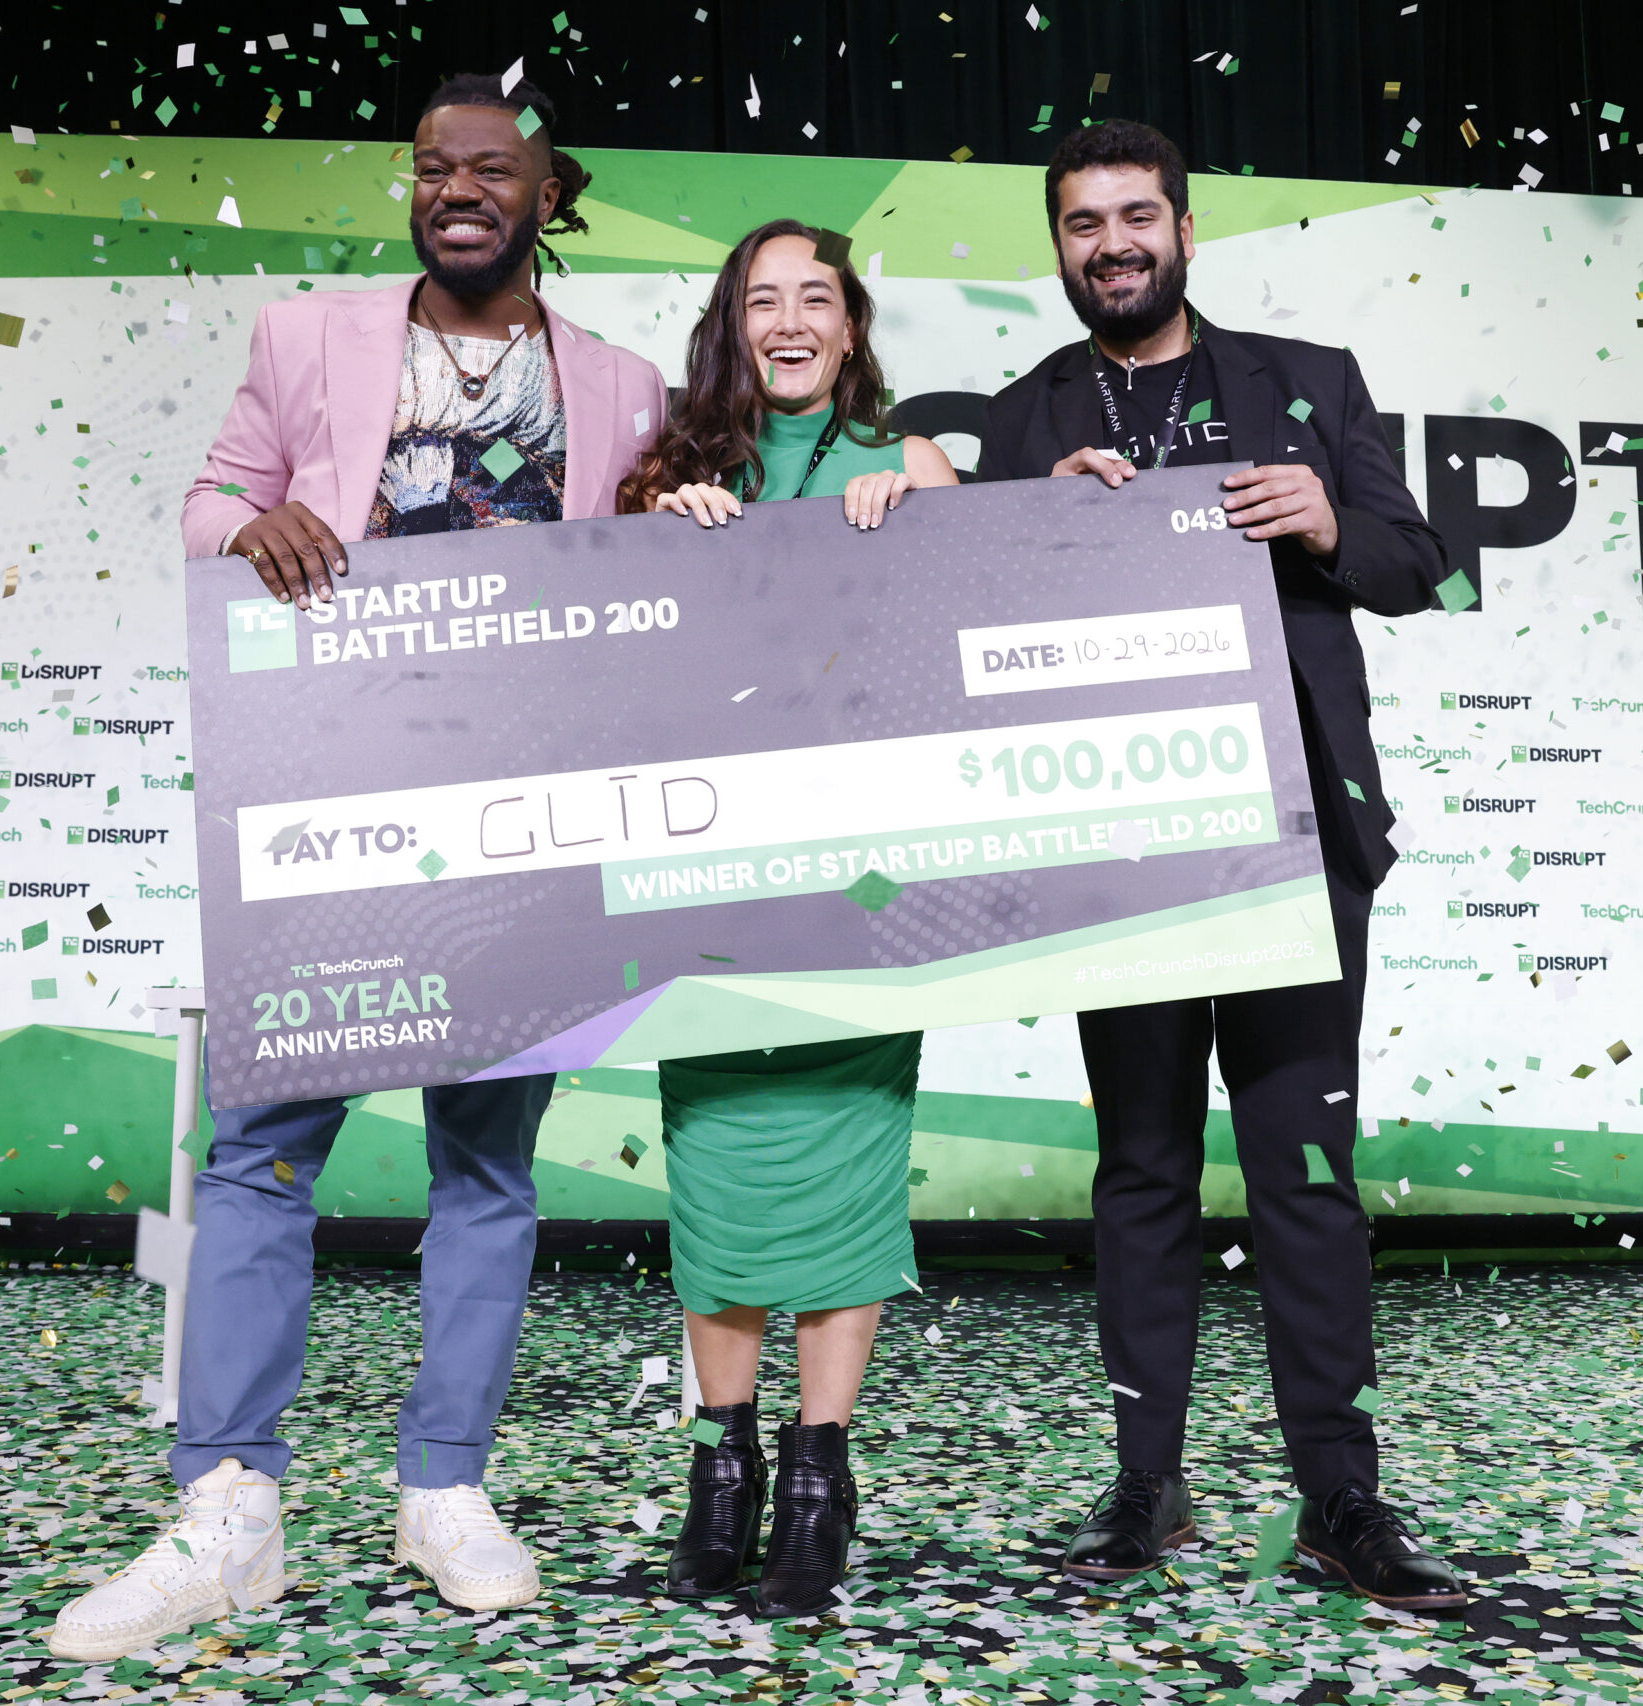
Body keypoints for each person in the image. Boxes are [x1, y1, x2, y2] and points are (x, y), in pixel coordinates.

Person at [46, 73, 667, 1661]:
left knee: (490, 1166)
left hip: (525, 824)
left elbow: (672, 570)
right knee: (259, 1155)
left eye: (490, 168)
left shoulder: (621, 385)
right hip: (325, 799)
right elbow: (207, 498)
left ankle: (442, 1487)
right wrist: (246, 530)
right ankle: (226, 1508)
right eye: (431, 168)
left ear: (548, 192)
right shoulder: (308, 339)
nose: (456, 186)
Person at [976, 120, 1468, 1612]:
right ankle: (1150, 1482)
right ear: (1058, 248)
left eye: (1137, 216)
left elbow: (1421, 561)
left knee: (1305, 1175)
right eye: (1083, 224)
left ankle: (1341, 1496)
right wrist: (1038, 533)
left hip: (1296, 840)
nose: (1112, 243)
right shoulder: (1019, 419)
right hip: (1116, 852)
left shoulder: (1307, 382)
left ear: (1184, 228)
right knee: (1140, 1175)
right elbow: (962, 633)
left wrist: (1327, 516)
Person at [617, 220, 959, 1619]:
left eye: (816, 294)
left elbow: (979, 643)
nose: (792, 317)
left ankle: (820, 1476)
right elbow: (610, 660)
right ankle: (724, 1467)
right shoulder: (672, 476)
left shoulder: (918, 464)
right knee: (721, 1178)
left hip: (862, 891)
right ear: (733, 326)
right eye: (764, 299)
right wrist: (656, 545)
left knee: (845, 1175)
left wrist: (924, 533)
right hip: (709, 892)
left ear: (853, 322)